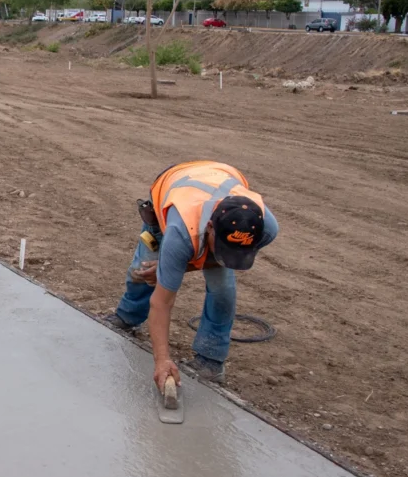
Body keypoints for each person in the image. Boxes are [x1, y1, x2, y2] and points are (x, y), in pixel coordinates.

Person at [103, 161, 279, 385]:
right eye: (223, 248)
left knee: (222, 288)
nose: (224, 257)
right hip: (174, 186)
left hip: (218, 175)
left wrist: (176, 268)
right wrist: (162, 361)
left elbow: (213, 260)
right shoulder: (180, 233)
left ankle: (210, 359)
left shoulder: (267, 228)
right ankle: (127, 317)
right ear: (211, 228)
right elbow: (162, 303)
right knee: (143, 270)